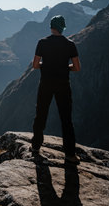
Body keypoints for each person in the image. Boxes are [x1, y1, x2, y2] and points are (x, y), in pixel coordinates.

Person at [32, 15, 81, 164]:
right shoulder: (70, 44)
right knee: (66, 119)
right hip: (63, 85)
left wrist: (46, 65)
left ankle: (35, 147)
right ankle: (70, 155)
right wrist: (64, 67)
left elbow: (35, 65)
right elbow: (77, 67)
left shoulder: (42, 43)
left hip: (46, 83)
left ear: (51, 27)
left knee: (41, 115)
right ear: (62, 27)